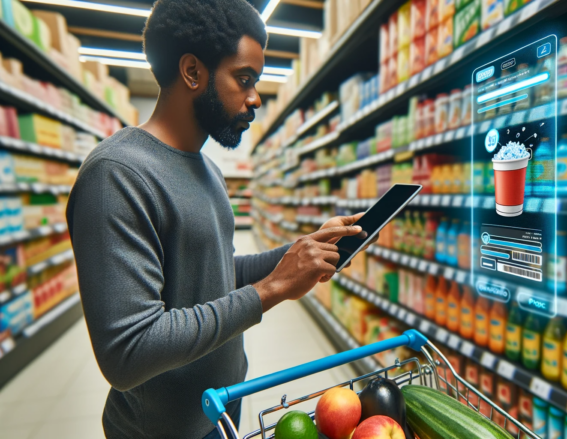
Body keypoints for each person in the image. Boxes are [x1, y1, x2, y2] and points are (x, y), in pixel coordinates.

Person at [66, 1, 367, 437]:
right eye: (244, 79)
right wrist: (272, 290)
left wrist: (300, 254)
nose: (255, 98)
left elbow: (214, 275)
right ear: (192, 72)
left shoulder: (207, 170)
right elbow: (127, 353)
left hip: (222, 409)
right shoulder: (116, 175)